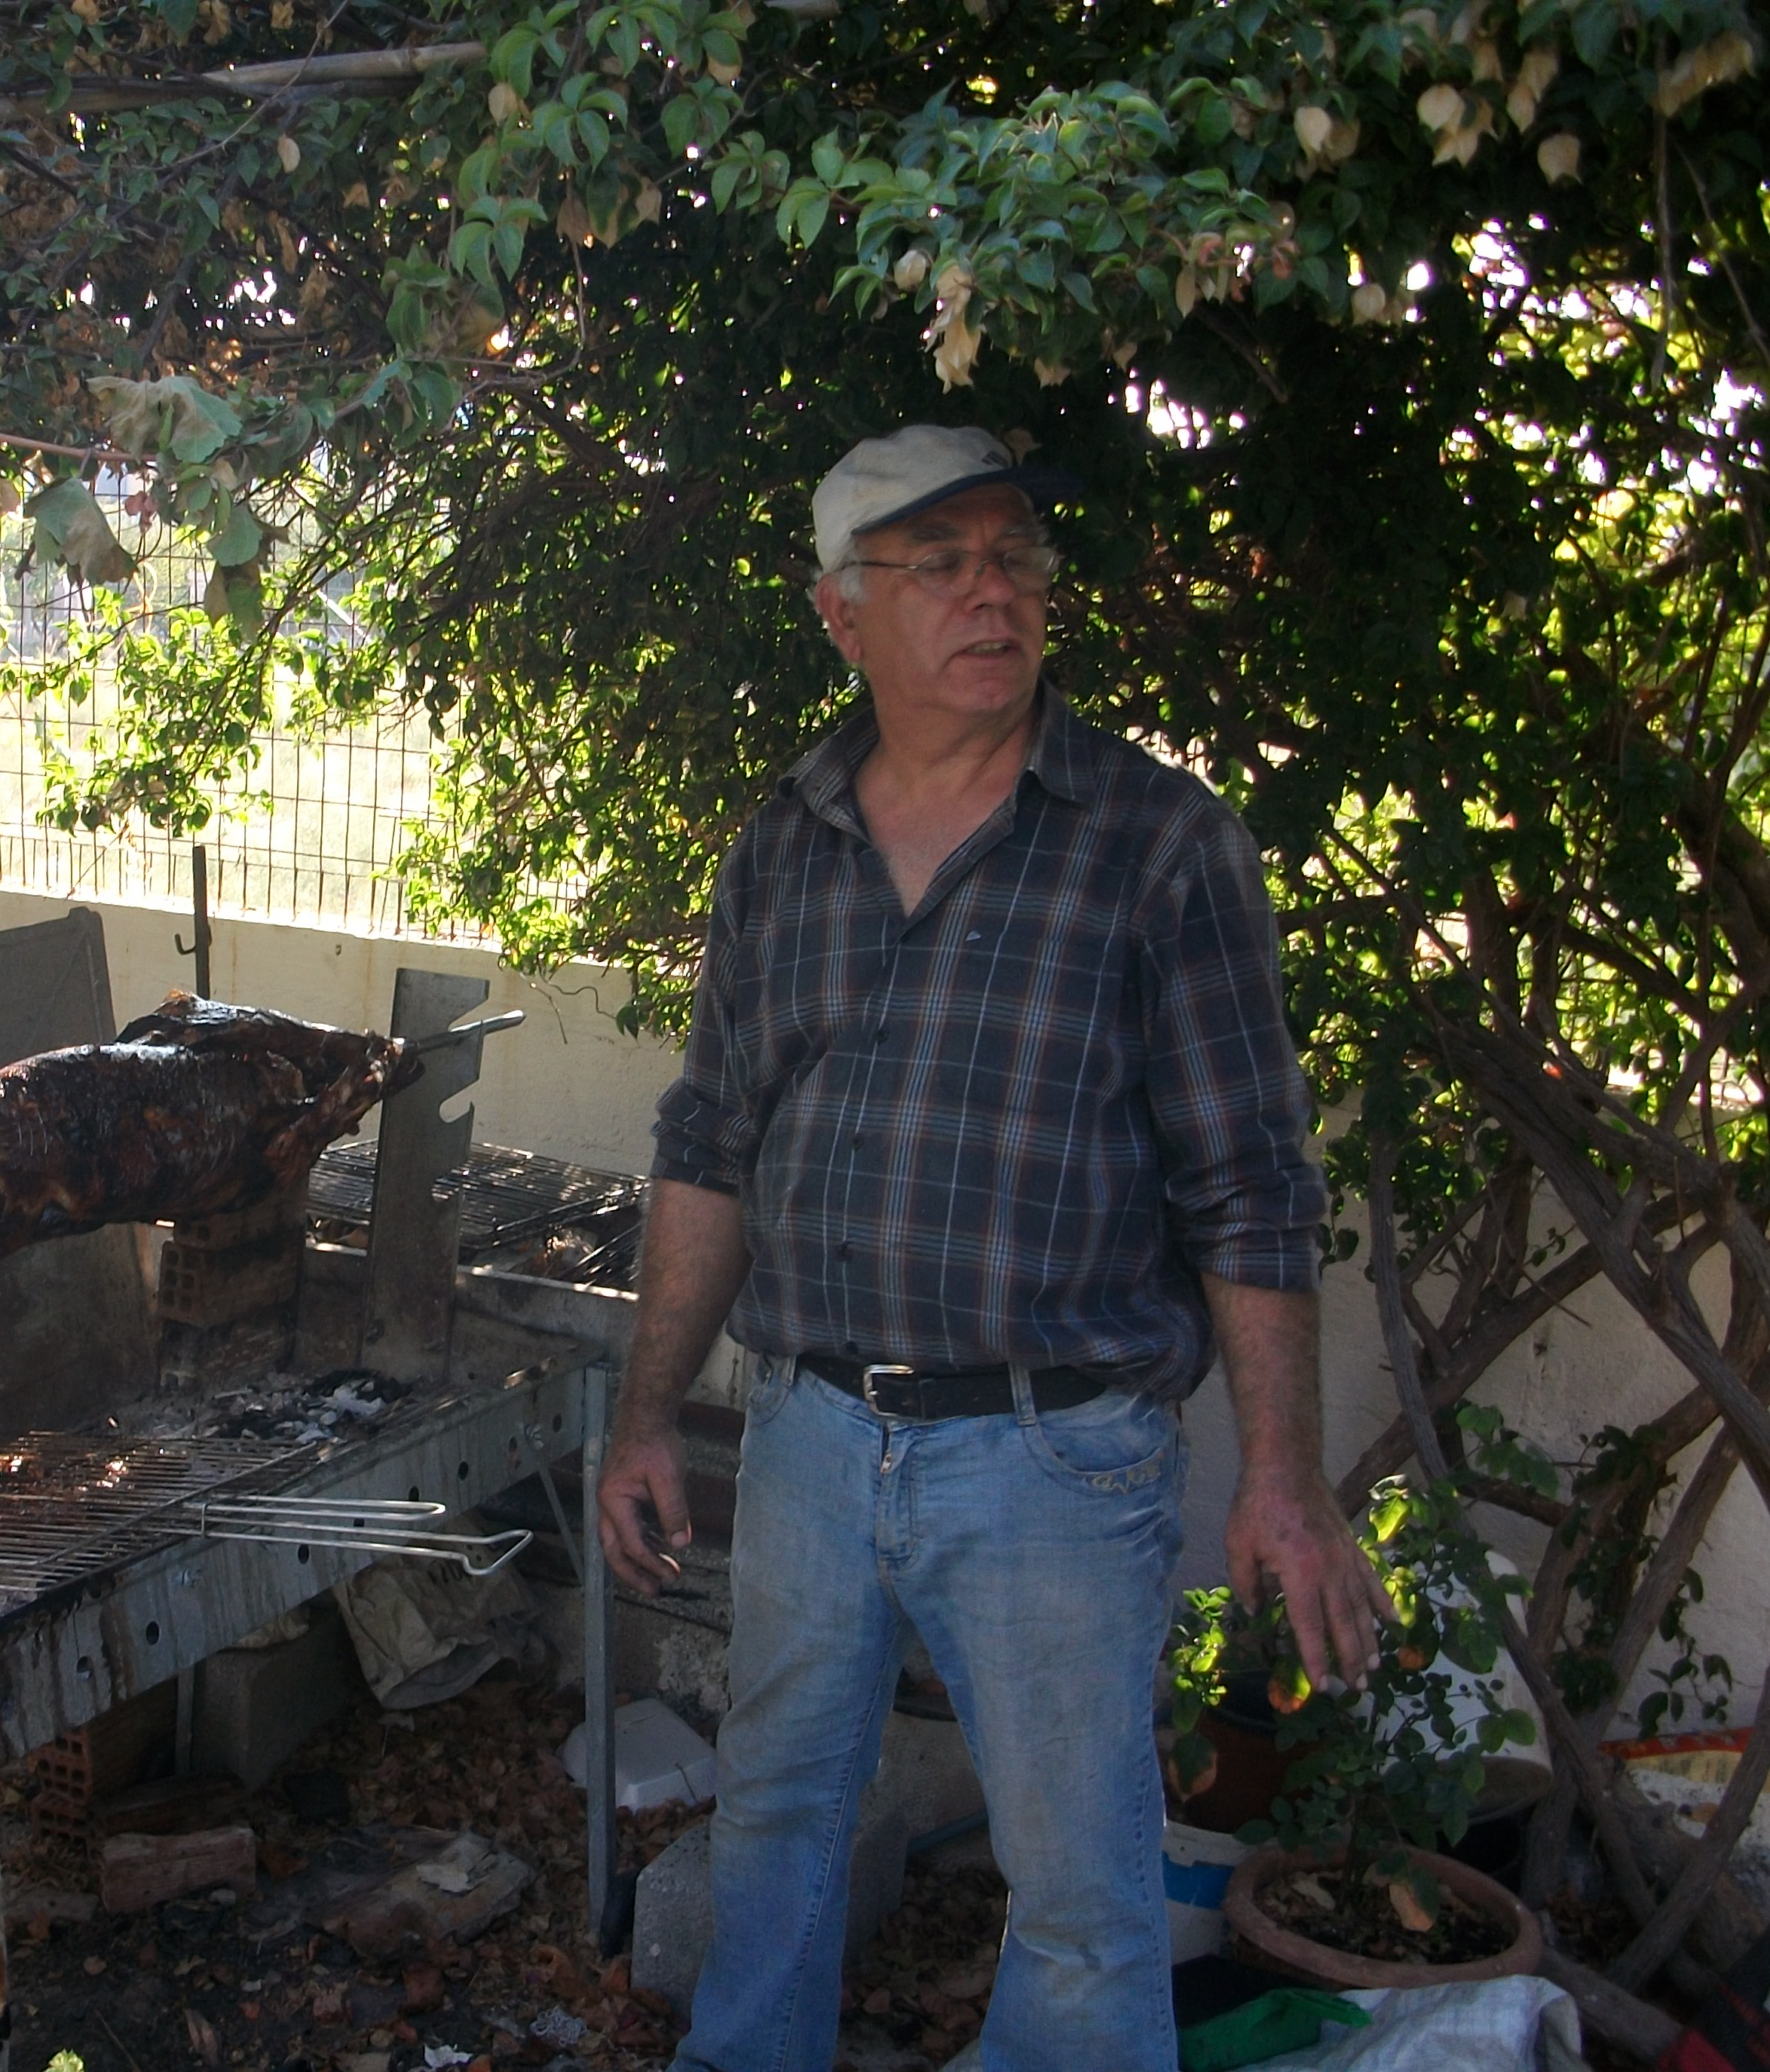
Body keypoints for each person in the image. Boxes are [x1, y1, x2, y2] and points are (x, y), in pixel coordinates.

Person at [595, 425, 1391, 2072]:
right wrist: (646, 1411)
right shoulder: (783, 843)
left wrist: (1276, 1478)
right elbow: (707, 1144)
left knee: (1083, 1901)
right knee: (773, 1830)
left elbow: (1248, 1182)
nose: (989, 593)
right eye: (937, 563)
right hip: (810, 1436)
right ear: (841, 614)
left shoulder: (1156, 846)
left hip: (1054, 1453)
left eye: (1014, 558)